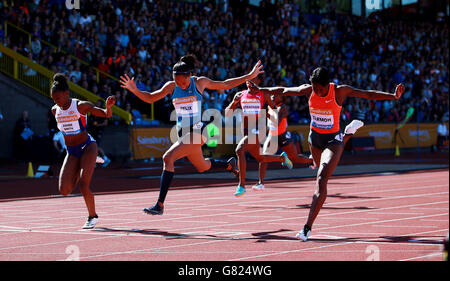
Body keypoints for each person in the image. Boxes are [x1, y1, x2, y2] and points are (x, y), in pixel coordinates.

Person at [247, 67, 403, 241]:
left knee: (321, 179)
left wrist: (393, 96)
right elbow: (283, 90)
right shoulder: (309, 91)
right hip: (314, 139)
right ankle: (348, 133)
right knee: (315, 164)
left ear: (326, 85)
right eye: (314, 88)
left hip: (332, 141)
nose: (317, 92)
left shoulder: (339, 91)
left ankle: (307, 228)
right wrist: (259, 90)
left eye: (319, 89)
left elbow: (368, 94)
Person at [120, 55, 263, 215]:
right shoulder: (171, 86)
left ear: (189, 76)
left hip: (198, 131)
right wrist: (135, 90)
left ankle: (159, 204)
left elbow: (225, 84)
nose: (181, 85)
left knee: (168, 158)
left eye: (183, 82)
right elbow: (151, 98)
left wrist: (249, 76)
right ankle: (228, 164)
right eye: (178, 82)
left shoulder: (199, 82)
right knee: (202, 166)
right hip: (184, 134)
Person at [50, 73, 116, 229]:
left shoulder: (80, 106)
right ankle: (91, 161)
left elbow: (106, 115)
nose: (56, 102)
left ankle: (92, 217)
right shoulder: (55, 110)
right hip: (72, 151)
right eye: (54, 99)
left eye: (58, 98)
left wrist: (108, 107)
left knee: (83, 185)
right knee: (64, 190)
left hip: (87, 147)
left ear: (67, 93)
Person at [224, 77, 294, 197]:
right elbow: (227, 113)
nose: (249, 81)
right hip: (246, 131)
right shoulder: (240, 94)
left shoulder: (264, 94)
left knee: (239, 150)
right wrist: (234, 102)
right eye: (248, 79)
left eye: (253, 79)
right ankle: (281, 158)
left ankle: (241, 185)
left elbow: (275, 109)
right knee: (260, 158)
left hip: (257, 130)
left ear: (258, 82)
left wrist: (275, 115)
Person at [255, 94, 314, 191]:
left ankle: (312, 161)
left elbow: (277, 122)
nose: (273, 96)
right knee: (263, 157)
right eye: (271, 95)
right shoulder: (269, 107)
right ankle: (260, 183)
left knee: (295, 158)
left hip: (283, 136)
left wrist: (266, 114)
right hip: (272, 136)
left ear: (281, 97)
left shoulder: (282, 107)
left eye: (275, 95)